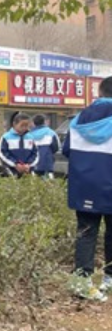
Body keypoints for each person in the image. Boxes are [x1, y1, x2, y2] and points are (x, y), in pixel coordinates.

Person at [62, 76, 112, 302]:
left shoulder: (79, 118)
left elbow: (66, 150)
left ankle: (82, 282)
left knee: (86, 233)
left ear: (100, 92)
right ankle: (109, 280)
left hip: (83, 186)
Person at [0, 112, 38, 177]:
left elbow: (35, 154)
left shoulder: (31, 137)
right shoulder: (6, 137)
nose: (24, 127)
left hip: (28, 171)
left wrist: (28, 165)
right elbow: (2, 153)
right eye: (22, 125)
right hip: (10, 171)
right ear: (14, 124)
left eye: (26, 125)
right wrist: (15, 164)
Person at [28, 114, 60, 178]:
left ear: (34, 123)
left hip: (33, 163)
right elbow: (56, 147)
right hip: (47, 162)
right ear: (44, 122)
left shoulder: (29, 135)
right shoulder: (51, 133)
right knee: (49, 184)